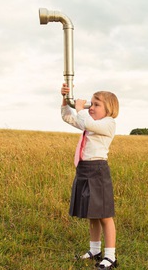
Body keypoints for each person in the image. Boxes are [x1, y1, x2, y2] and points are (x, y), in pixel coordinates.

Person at [61, 83, 119, 269]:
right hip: (84, 169)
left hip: (98, 171)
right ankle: (95, 250)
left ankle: (111, 256)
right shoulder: (89, 122)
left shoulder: (108, 123)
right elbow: (68, 118)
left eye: (96, 105)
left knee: (104, 215)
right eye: (90, 104)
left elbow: (86, 121)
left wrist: (80, 109)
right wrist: (65, 99)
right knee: (92, 214)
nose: (91, 108)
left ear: (109, 109)